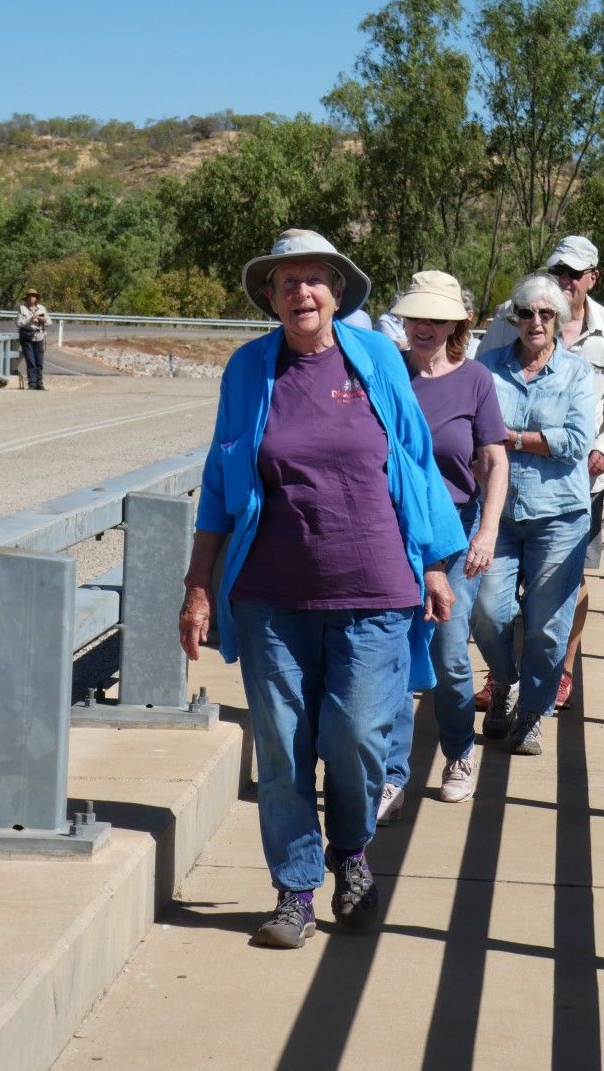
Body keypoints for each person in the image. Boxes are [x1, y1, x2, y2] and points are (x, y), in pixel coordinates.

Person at [178, 229, 465, 951]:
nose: (301, 292)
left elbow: (417, 462)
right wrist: (198, 585)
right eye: (286, 282)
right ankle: (295, 890)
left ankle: (352, 853)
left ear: (337, 293)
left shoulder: (376, 363)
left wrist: (433, 562)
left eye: (315, 280)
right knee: (281, 745)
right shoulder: (248, 371)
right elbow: (221, 479)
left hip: (374, 586)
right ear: (270, 297)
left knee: (357, 734)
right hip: (271, 595)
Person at [476, 235, 604, 709]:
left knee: (568, 583)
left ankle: (560, 671)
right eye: (558, 271)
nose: (565, 281)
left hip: (579, 483)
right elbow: (479, 381)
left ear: (593, 278)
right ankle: (504, 676)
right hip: (505, 487)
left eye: (575, 273)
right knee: (498, 594)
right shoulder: (516, 314)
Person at [378, 271, 508, 819]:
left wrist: (488, 531)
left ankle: (458, 752)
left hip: (454, 531)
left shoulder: (475, 379)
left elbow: (496, 461)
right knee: (389, 655)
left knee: (449, 652)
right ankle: (391, 775)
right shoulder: (387, 374)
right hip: (389, 531)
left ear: (457, 323)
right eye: (415, 316)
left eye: (436, 318)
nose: (424, 327)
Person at [472, 272, 597, 756]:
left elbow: (574, 443)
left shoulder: (577, 374)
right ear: (515, 318)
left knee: (547, 624)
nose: (536, 322)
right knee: (485, 611)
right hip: (498, 515)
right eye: (527, 313)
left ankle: (532, 712)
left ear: (560, 320)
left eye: (546, 314)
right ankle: (504, 681)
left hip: (558, 515)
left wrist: (513, 439)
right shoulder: (488, 369)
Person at [15, 288, 51, 390]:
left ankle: (40, 384)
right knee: (30, 361)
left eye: (33, 296)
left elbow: (49, 322)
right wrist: (30, 319)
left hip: (39, 336)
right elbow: (18, 323)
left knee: (39, 361)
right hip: (27, 336)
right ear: (26, 298)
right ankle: (32, 384)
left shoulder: (41, 308)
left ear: (36, 298)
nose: (31, 298)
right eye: (29, 296)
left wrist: (41, 319)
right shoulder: (22, 308)